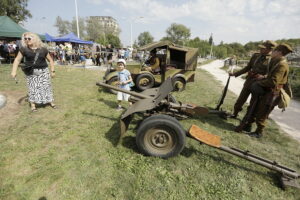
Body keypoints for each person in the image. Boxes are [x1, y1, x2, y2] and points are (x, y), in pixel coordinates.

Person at [237, 44, 293, 138]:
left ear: (279, 52)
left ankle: (259, 132)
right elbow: (271, 76)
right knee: (254, 109)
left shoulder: (282, 65)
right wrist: (263, 77)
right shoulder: (277, 62)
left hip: (272, 93)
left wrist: (259, 83)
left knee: (262, 114)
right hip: (267, 91)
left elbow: (273, 81)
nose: (272, 52)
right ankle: (247, 126)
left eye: (274, 51)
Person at [229, 40, 277, 121]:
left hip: (259, 84)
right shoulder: (256, 56)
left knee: (253, 103)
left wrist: (264, 76)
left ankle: (247, 119)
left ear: (269, 49)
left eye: (263, 48)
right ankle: (235, 113)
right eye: (261, 48)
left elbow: (273, 74)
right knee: (241, 99)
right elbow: (247, 67)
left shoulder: (272, 60)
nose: (260, 50)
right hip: (249, 81)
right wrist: (235, 74)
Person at [11, 32, 56, 112]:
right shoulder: (23, 49)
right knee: (33, 88)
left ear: (35, 38)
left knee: (46, 87)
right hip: (31, 72)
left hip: (43, 71)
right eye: (25, 39)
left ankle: (50, 102)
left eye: (29, 38)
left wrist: (52, 71)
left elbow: (51, 60)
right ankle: (33, 105)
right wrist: (14, 71)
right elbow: (17, 60)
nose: (27, 40)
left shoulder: (43, 49)